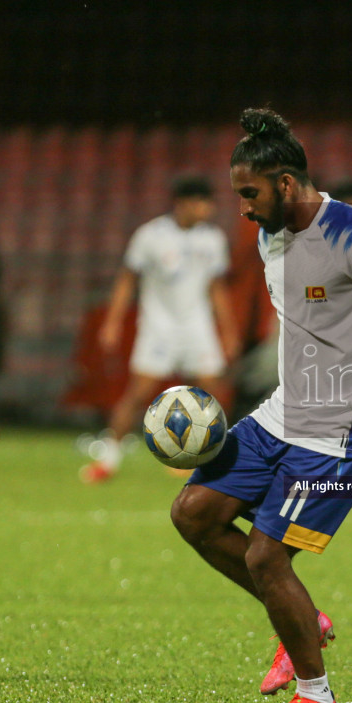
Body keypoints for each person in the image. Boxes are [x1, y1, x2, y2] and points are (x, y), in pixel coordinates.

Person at [170, 108, 352, 703]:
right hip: (281, 414)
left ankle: (316, 698)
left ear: (287, 183)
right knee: (194, 514)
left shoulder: (350, 232)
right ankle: (304, 617)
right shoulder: (271, 232)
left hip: (340, 430)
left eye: (251, 193)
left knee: (268, 559)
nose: (242, 207)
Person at [85, 176, 235, 483]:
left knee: (212, 392)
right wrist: (112, 322)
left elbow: (217, 288)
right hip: (159, 327)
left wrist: (228, 329)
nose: (207, 209)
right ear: (183, 203)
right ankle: (107, 460)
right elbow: (128, 279)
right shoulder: (151, 235)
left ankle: (209, 460)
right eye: (201, 202)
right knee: (138, 392)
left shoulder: (213, 239)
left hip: (197, 327)